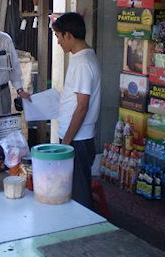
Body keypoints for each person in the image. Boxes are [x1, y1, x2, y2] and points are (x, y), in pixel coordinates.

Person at [52, 12, 101, 209]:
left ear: (69, 36)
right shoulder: (84, 57)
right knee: (72, 189)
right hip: (77, 138)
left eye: (59, 37)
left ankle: (84, 234)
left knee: (79, 195)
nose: (58, 42)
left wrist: (66, 143)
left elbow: (82, 107)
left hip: (77, 140)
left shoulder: (82, 62)